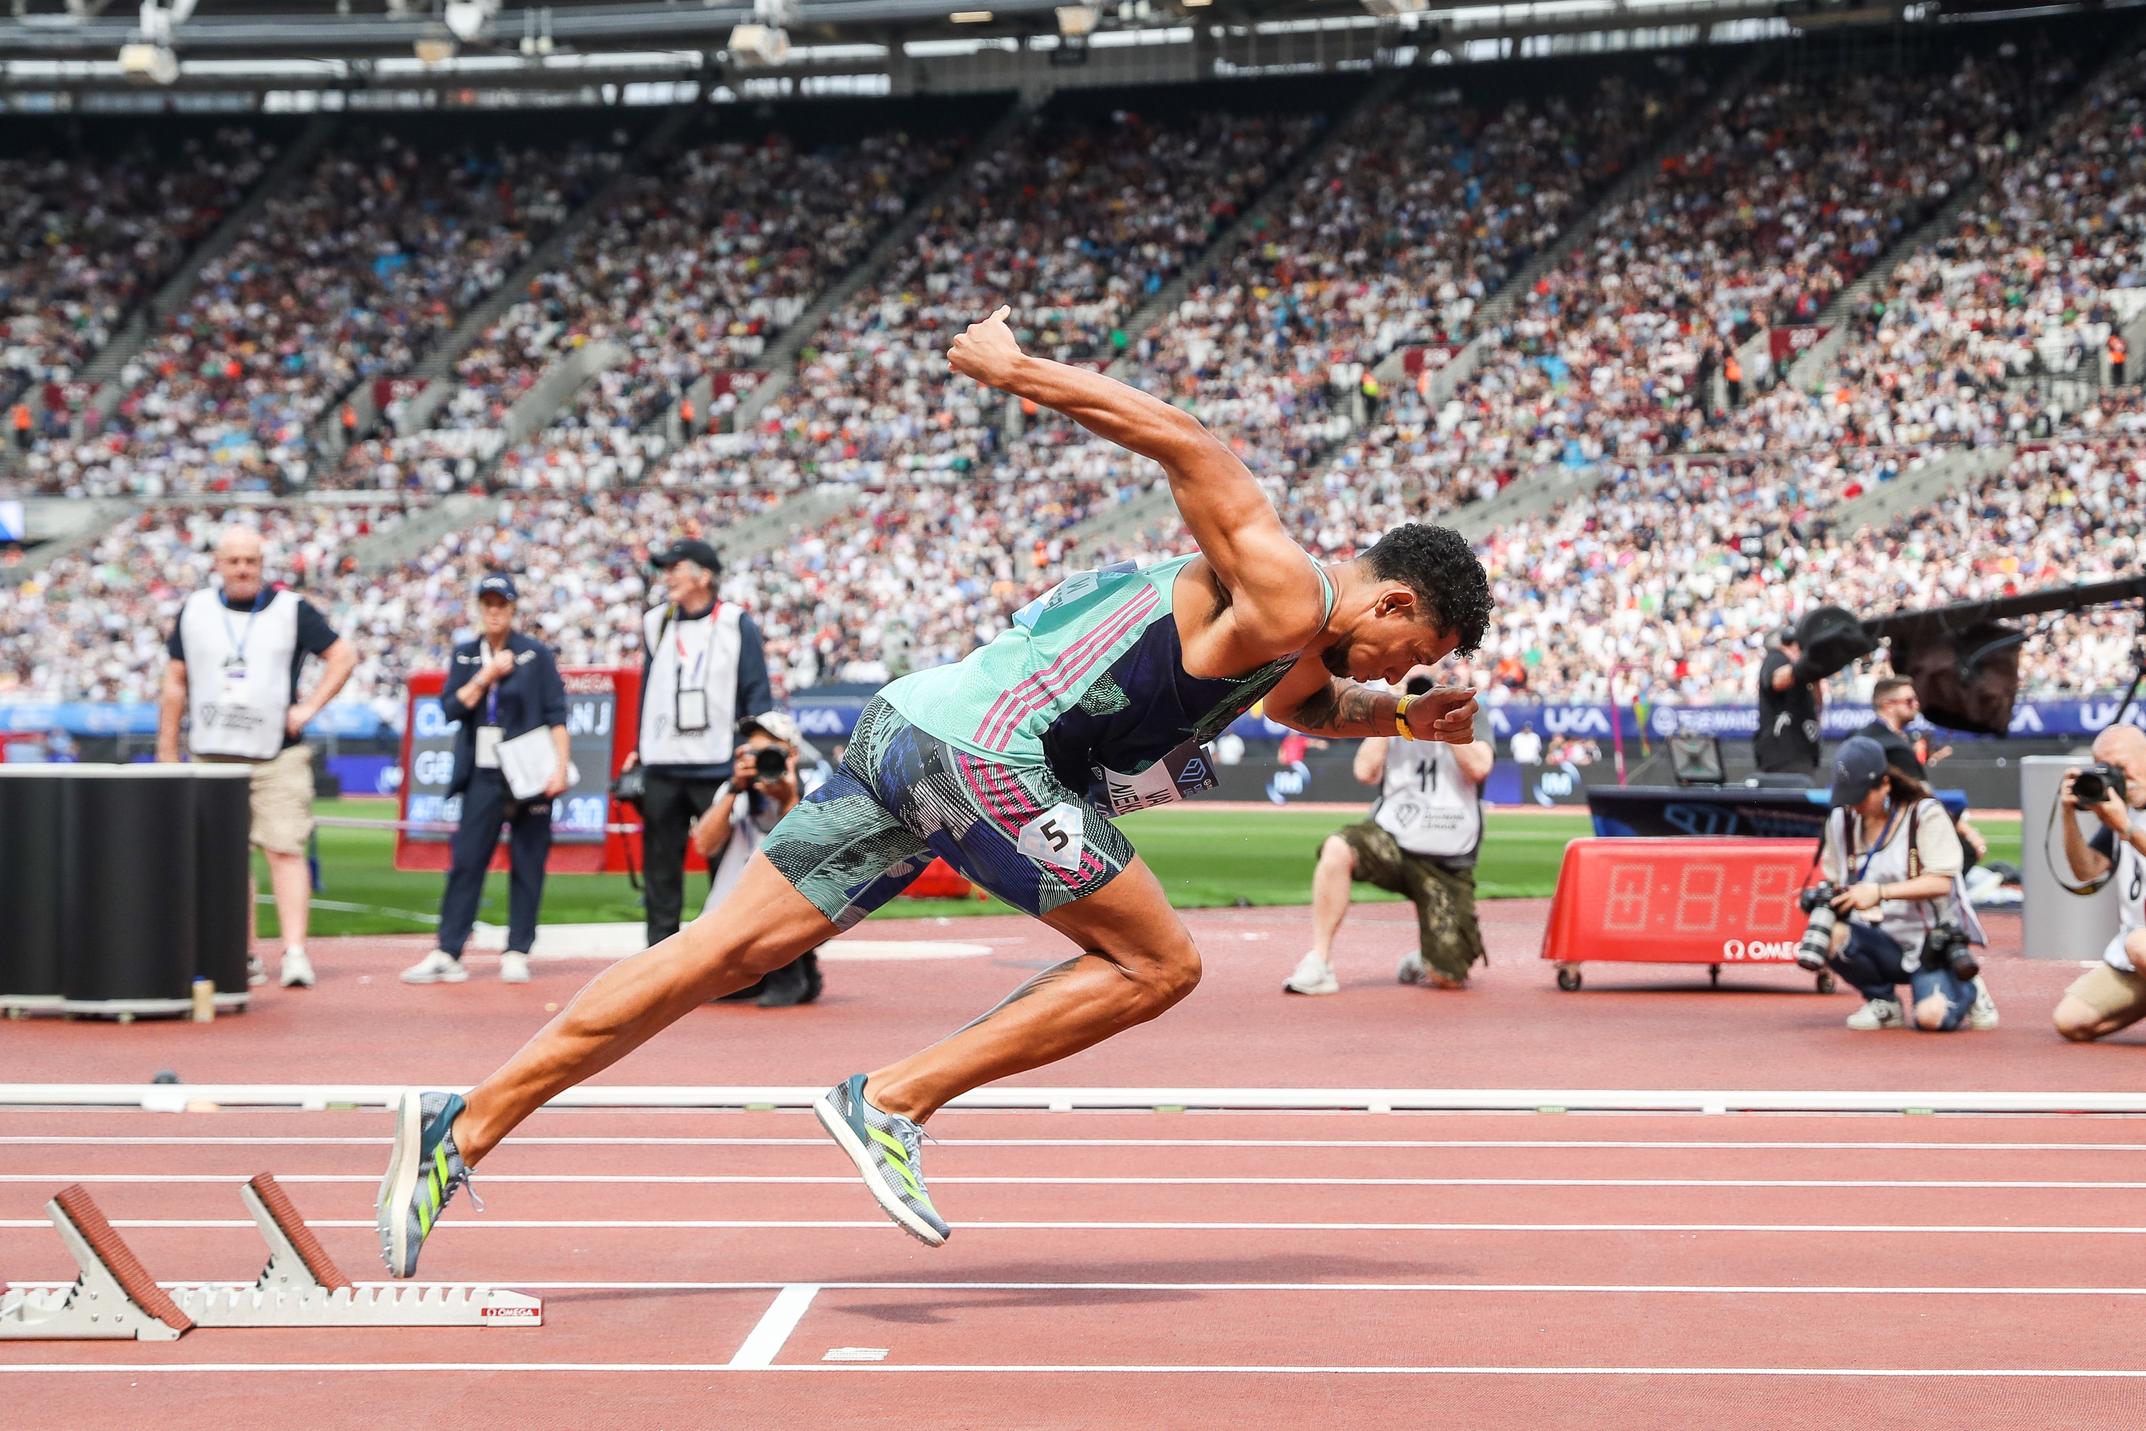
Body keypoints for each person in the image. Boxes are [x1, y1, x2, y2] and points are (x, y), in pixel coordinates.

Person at [377, 305, 1489, 1275]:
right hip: (987, 758)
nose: (1403, 672)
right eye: (1412, 655)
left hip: (912, 730)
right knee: (1160, 963)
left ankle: (461, 1127)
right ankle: (892, 1100)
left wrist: (1398, 716)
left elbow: (1302, 703)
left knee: (712, 956)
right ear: (1390, 604)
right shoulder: (1289, 585)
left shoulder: (1286, 631)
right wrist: (1020, 375)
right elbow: (1189, 445)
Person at [156, 525, 357, 989]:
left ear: (262, 565)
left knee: (285, 849)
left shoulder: (292, 609)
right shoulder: (195, 610)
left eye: (251, 560)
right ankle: (239, 953)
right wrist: (167, 750)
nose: (243, 569)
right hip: (211, 756)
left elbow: (343, 655)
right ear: (218, 565)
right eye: (234, 561)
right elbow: (175, 681)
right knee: (225, 859)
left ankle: (294, 953)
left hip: (276, 756)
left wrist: (309, 707)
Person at [403, 574, 571, 987]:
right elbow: (449, 709)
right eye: (488, 604)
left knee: (528, 862)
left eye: (502, 604)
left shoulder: (535, 654)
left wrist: (560, 768)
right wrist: (486, 676)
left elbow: (556, 714)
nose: (494, 611)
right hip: (482, 770)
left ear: (513, 609)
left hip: (529, 771)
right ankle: (448, 950)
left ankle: (517, 949)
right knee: (466, 862)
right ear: (479, 608)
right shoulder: (465, 655)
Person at [1285, 667, 1493, 995]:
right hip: (1393, 839)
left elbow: (1480, 767)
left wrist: (1445, 720)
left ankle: (1431, 957)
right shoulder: (1392, 714)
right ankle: (1319, 960)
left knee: (1450, 976)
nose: (1422, 682)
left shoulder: (1468, 711)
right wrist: (1398, 714)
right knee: (1338, 848)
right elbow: (1364, 772)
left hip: (1447, 856)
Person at [622, 537, 774, 949]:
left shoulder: (735, 622)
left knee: (726, 873)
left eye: (676, 566)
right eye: (665, 568)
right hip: (662, 763)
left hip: (716, 764)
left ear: (704, 575)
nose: (667, 575)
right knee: (660, 875)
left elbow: (756, 695)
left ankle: (727, 961)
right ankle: (656, 964)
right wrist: (639, 745)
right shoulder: (657, 621)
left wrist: (753, 752)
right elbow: (651, 687)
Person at [1816, 736, 1994, 1033]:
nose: (1854, 805)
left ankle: (1969, 988)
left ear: (1885, 784)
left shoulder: (1924, 815)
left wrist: (1880, 893)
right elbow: (1833, 878)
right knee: (1827, 933)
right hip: (1878, 939)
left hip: (1930, 943)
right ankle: (1883, 1002)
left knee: (1931, 1019)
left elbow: (1941, 882)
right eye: (1847, 796)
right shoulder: (1840, 821)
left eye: (1861, 796)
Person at [693, 711, 823, 1008]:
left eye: (769, 751)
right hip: (737, 906)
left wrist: (788, 798)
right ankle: (772, 971)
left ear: (791, 752)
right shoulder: (736, 790)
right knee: (706, 984)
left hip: (793, 904)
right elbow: (705, 844)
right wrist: (735, 788)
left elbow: (805, 853)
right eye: (753, 751)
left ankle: (794, 970)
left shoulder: (815, 785)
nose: (761, 759)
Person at [2052, 725, 2146, 1043]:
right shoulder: (2123, 809)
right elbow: (2086, 870)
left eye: (2120, 765)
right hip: (2140, 956)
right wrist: (2068, 815)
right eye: (2103, 767)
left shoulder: (2125, 819)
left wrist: (2127, 829)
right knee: (2071, 1021)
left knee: (2139, 944)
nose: (2115, 775)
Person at [1860, 676, 1985, 865]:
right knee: (1966, 850)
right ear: (1888, 705)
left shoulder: (1864, 736)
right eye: (1909, 701)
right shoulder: (1894, 746)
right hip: (1894, 829)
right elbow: (1922, 796)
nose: (1916, 705)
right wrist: (1966, 831)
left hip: (1866, 828)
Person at [1755, 624, 1823, 778]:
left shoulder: (1800, 669)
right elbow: (1776, 681)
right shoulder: (1777, 657)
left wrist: (1816, 672)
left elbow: (1817, 704)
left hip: (1802, 749)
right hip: (1784, 752)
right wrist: (1806, 662)